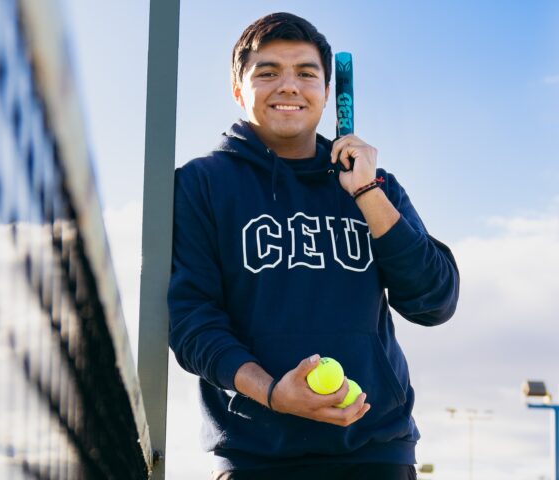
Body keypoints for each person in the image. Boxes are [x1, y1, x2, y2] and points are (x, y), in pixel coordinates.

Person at [168, 12, 459, 480]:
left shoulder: (374, 184)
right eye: (267, 73)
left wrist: (367, 194)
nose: (288, 86)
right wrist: (270, 392)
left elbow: (434, 301)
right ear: (239, 91)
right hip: (254, 457)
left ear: (326, 93)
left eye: (306, 73)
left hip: (376, 451)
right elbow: (190, 320)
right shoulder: (201, 184)